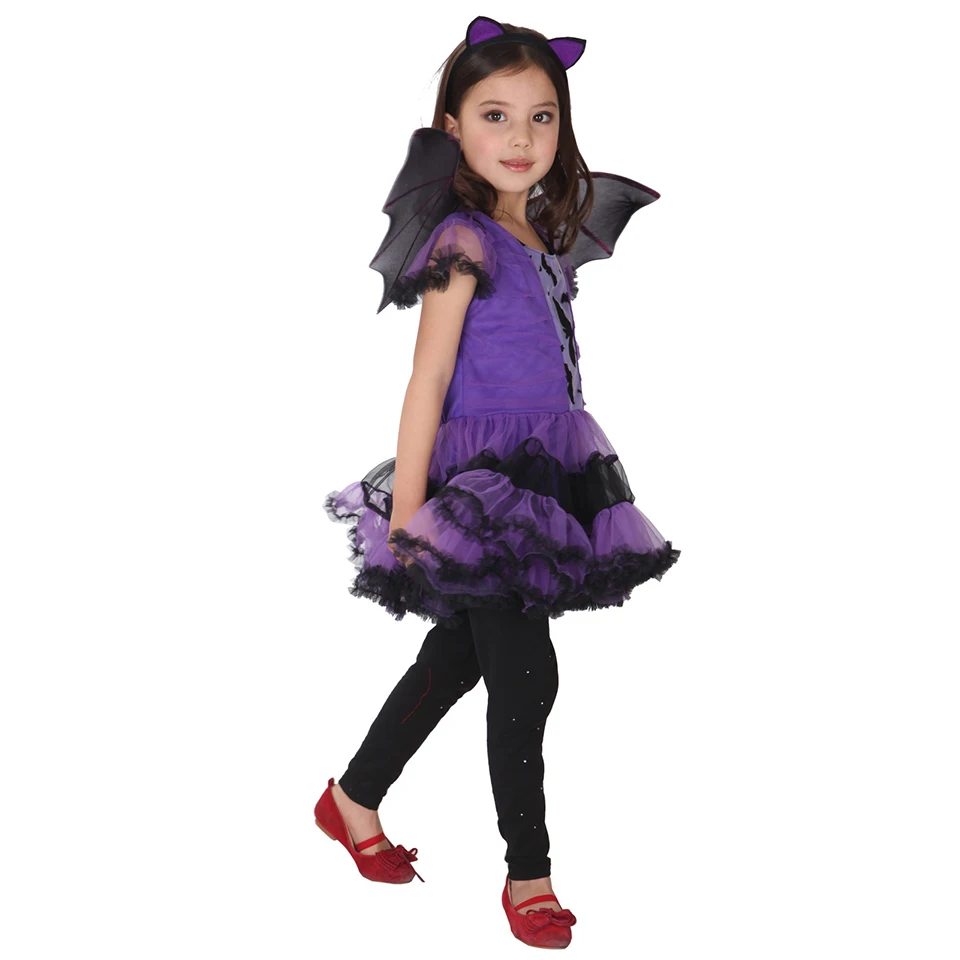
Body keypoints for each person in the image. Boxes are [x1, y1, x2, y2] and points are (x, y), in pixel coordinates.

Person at [317, 15, 680, 949]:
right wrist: (409, 508)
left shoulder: (543, 237)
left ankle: (352, 800)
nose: (521, 138)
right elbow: (429, 377)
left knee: (459, 659)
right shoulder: (464, 240)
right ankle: (530, 873)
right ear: (452, 127)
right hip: (481, 487)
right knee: (527, 674)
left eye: (541, 117)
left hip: (549, 470)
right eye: (495, 115)